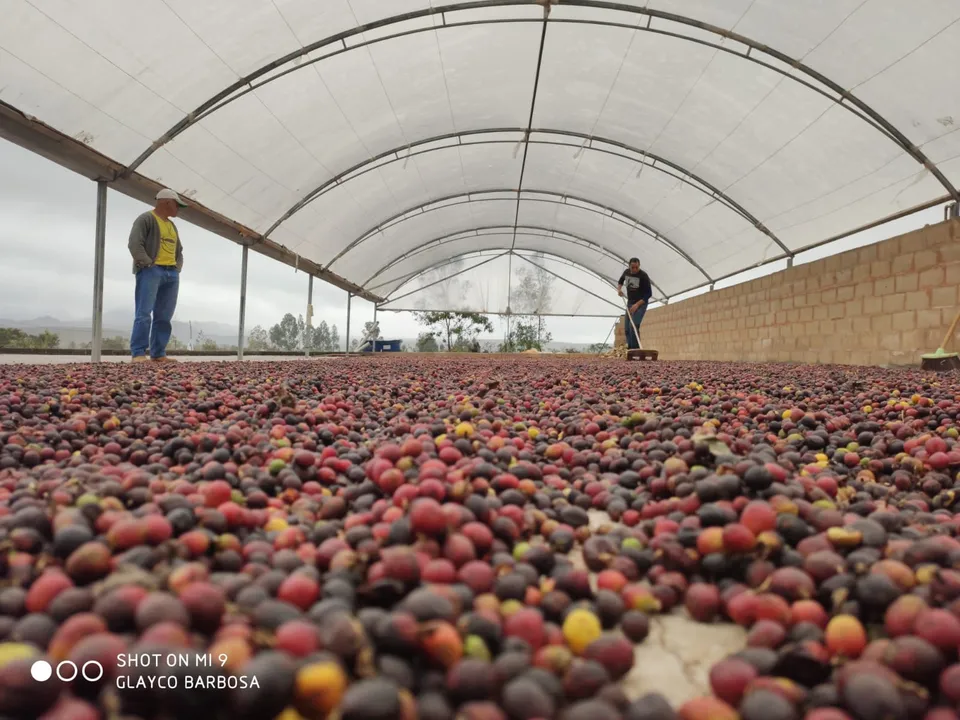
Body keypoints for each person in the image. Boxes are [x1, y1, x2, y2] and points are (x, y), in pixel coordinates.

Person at [128, 188, 186, 363]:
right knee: (144, 312)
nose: (178, 209)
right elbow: (134, 243)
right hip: (151, 270)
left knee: (164, 315)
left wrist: (177, 267)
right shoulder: (146, 219)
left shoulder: (171, 225)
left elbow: (179, 250)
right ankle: (138, 353)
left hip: (171, 272)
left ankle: (158, 353)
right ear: (167, 202)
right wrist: (147, 264)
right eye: (177, 205)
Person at [617, 257, 652, 350]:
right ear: (629, 266)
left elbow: (649, 293)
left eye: (637, 267)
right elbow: (620, 281)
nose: (635, 269)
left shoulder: (643, 276)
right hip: (630, 302)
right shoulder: (626, 272)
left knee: (633, 325)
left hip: (641, 303)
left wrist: (637, 305)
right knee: (627, 329)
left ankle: (636, 350)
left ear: (639, 266)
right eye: (633, 267)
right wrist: (619, 290)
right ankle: (630, 350)